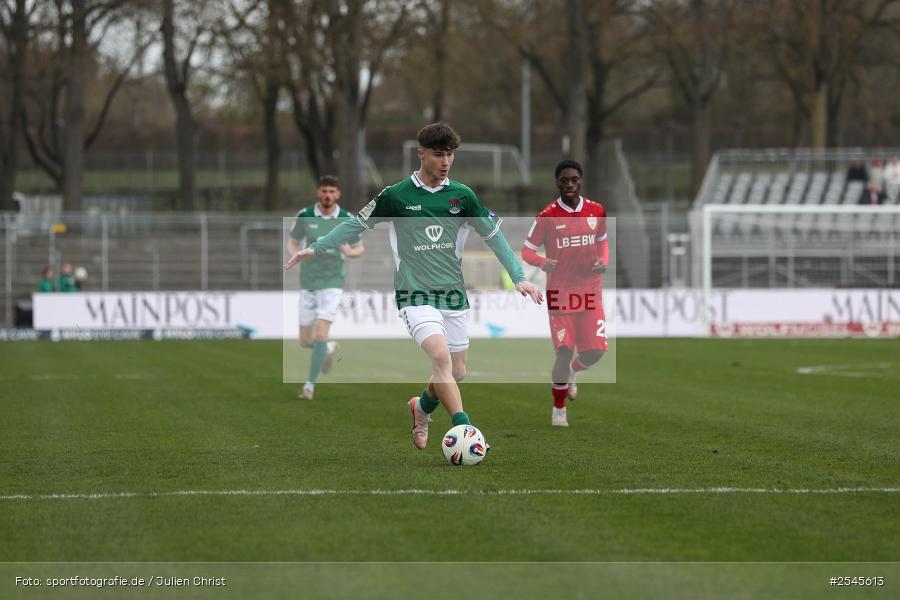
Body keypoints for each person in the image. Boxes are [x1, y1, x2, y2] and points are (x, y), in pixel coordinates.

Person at [284, 122, 543, 449]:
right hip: (414, 293)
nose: (446, 161)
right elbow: (356, 224)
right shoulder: (396, 196)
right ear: (421, 154)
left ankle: (421, 408)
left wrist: (518, 277)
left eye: (450, 154)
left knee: (457, 371)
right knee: (441, 358)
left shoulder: (463, 196)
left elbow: (494, 237)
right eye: (438, 154)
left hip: (452, 295)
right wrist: (317, 247)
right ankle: (464, 430)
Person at [520, 159, 609, 427]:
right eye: (564, 180)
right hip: (560, 294)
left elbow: (603, 243)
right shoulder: (547, 217)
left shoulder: (596, 211)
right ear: (557, 183)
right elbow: (527, 250)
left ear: (580, 181)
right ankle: (559, 408)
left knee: (595, 352)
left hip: (590, 292)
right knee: (563, 350)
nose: (569, 184)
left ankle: (572, 372)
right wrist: (540, 262)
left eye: (574, 179)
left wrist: (603, 261)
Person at [287, 175, 365, 400]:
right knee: (305, 341)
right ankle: (328, 349)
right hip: (308, 282)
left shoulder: (347, 219)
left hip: (332, 283)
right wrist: (297, 256)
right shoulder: (305, 216)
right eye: (324, 191)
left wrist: (351, 252)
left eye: (332, 191)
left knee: (320, 334)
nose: (328, 195)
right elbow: (292, 242)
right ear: (318, 193)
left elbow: (359, 248)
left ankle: (309, 387)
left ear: (338, 194)